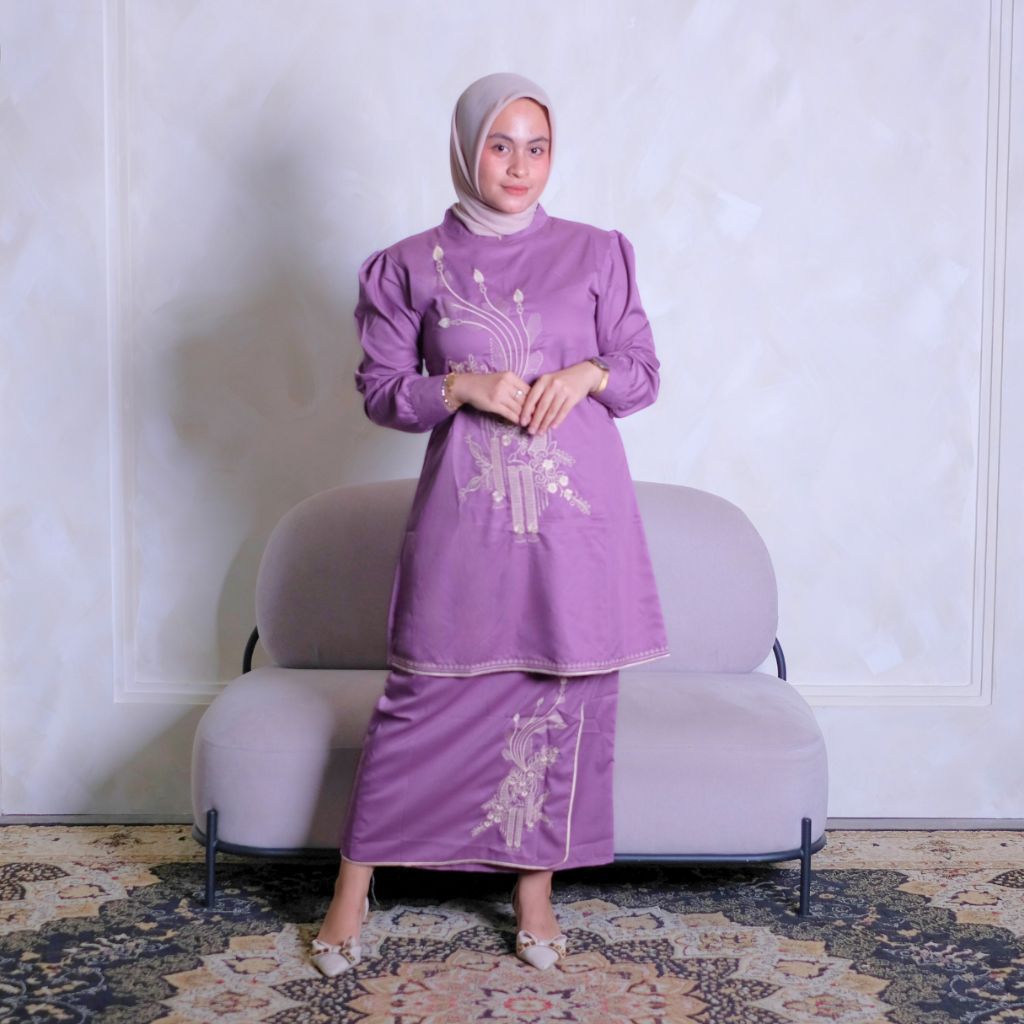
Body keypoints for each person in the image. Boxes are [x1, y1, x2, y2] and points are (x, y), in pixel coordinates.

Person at [310, 71, 669, 977]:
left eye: (536, 148)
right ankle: (351, 890)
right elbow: (382, 392)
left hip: (578, 526)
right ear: (467, 149)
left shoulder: (598, 253)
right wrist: (461, 385)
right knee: (422, 695)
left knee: (561, 697)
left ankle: (534, 893)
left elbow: (641, 372)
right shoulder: (406, 264)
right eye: (501, 145)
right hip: (467, 526)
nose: (519, 166)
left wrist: (586, 373)